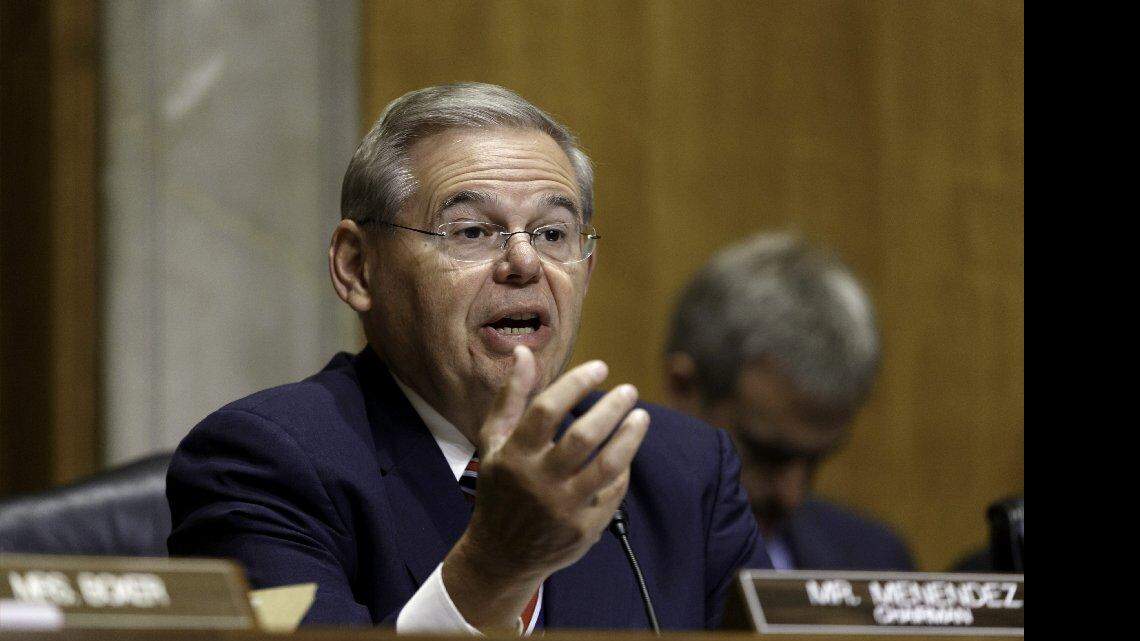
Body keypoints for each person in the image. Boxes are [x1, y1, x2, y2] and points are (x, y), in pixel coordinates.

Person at [167, 83, 771, 633]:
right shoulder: (265, 463)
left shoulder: (683, 472)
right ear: (356, 267)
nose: (525, 264)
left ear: (586, 270)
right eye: (471, 232)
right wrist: (495, 567)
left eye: (554, 233)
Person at [664, 233, 914, 571]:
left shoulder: (875, 562)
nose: (791, 496)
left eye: (815, 461)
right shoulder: (589, 550)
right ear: (685, 388)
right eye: (766, 454)